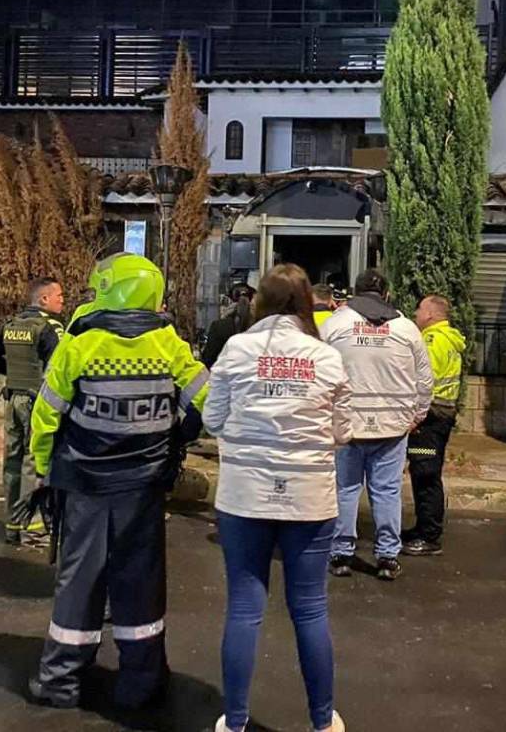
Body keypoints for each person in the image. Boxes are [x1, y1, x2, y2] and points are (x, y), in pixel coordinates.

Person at [26, 253, 209, 710]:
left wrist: (44, 466)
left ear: (108, 289)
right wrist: (175, 435)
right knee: (141, 584)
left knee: (79, 582)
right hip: (143, 488)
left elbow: (46, 414)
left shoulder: (79, 343)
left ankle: (60, 681)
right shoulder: (169, 343)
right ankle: (141, 685)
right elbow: (207, 403)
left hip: (85, 484)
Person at [204, 263, 352, 732]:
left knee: (245, 608)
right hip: (310, 496)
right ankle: (322, 721)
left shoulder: (237, 348)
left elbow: (212, 418)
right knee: (309, 609)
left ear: (259, 301)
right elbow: (342, 431)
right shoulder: (325, 356)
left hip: (245, 495)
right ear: (308, 302)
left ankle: (237, 721)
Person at [320, 269, 432, 581]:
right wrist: (418, 414)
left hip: (347, 424)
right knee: (386, 492)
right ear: (385, 294)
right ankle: (387, 556)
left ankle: (341, 553)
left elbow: (318, 371)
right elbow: (424, 379)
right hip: (393, 426)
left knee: (345, 489)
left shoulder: (335, 325)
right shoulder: (406, 329)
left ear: (354, 293)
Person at [0, 277, 65, 544]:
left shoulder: (12, 325)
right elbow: (60, 366)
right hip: (36, 401)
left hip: (12, 398)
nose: (62, 300)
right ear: (44, 299)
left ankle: (13, 525)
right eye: (59, 296)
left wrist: (11, 374)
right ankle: (33, 528)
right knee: (33, 460)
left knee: (13, 462)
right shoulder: (49, 328)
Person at [402, 295, 466, 556]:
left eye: (419, 309)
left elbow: (421, 378)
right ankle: (423, 528)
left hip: (430, 417)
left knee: (426, 473)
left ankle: (429, 536)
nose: (416, 313)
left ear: (430, 314)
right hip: (442, 413)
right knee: (424, 471)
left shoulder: (431, 340)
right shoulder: (449, 338)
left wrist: (414, 414)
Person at [201, 283, 255, 368]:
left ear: (229, 301)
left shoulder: (219, 327)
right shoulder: (259, 327)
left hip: (225, 378)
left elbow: (208, 360)